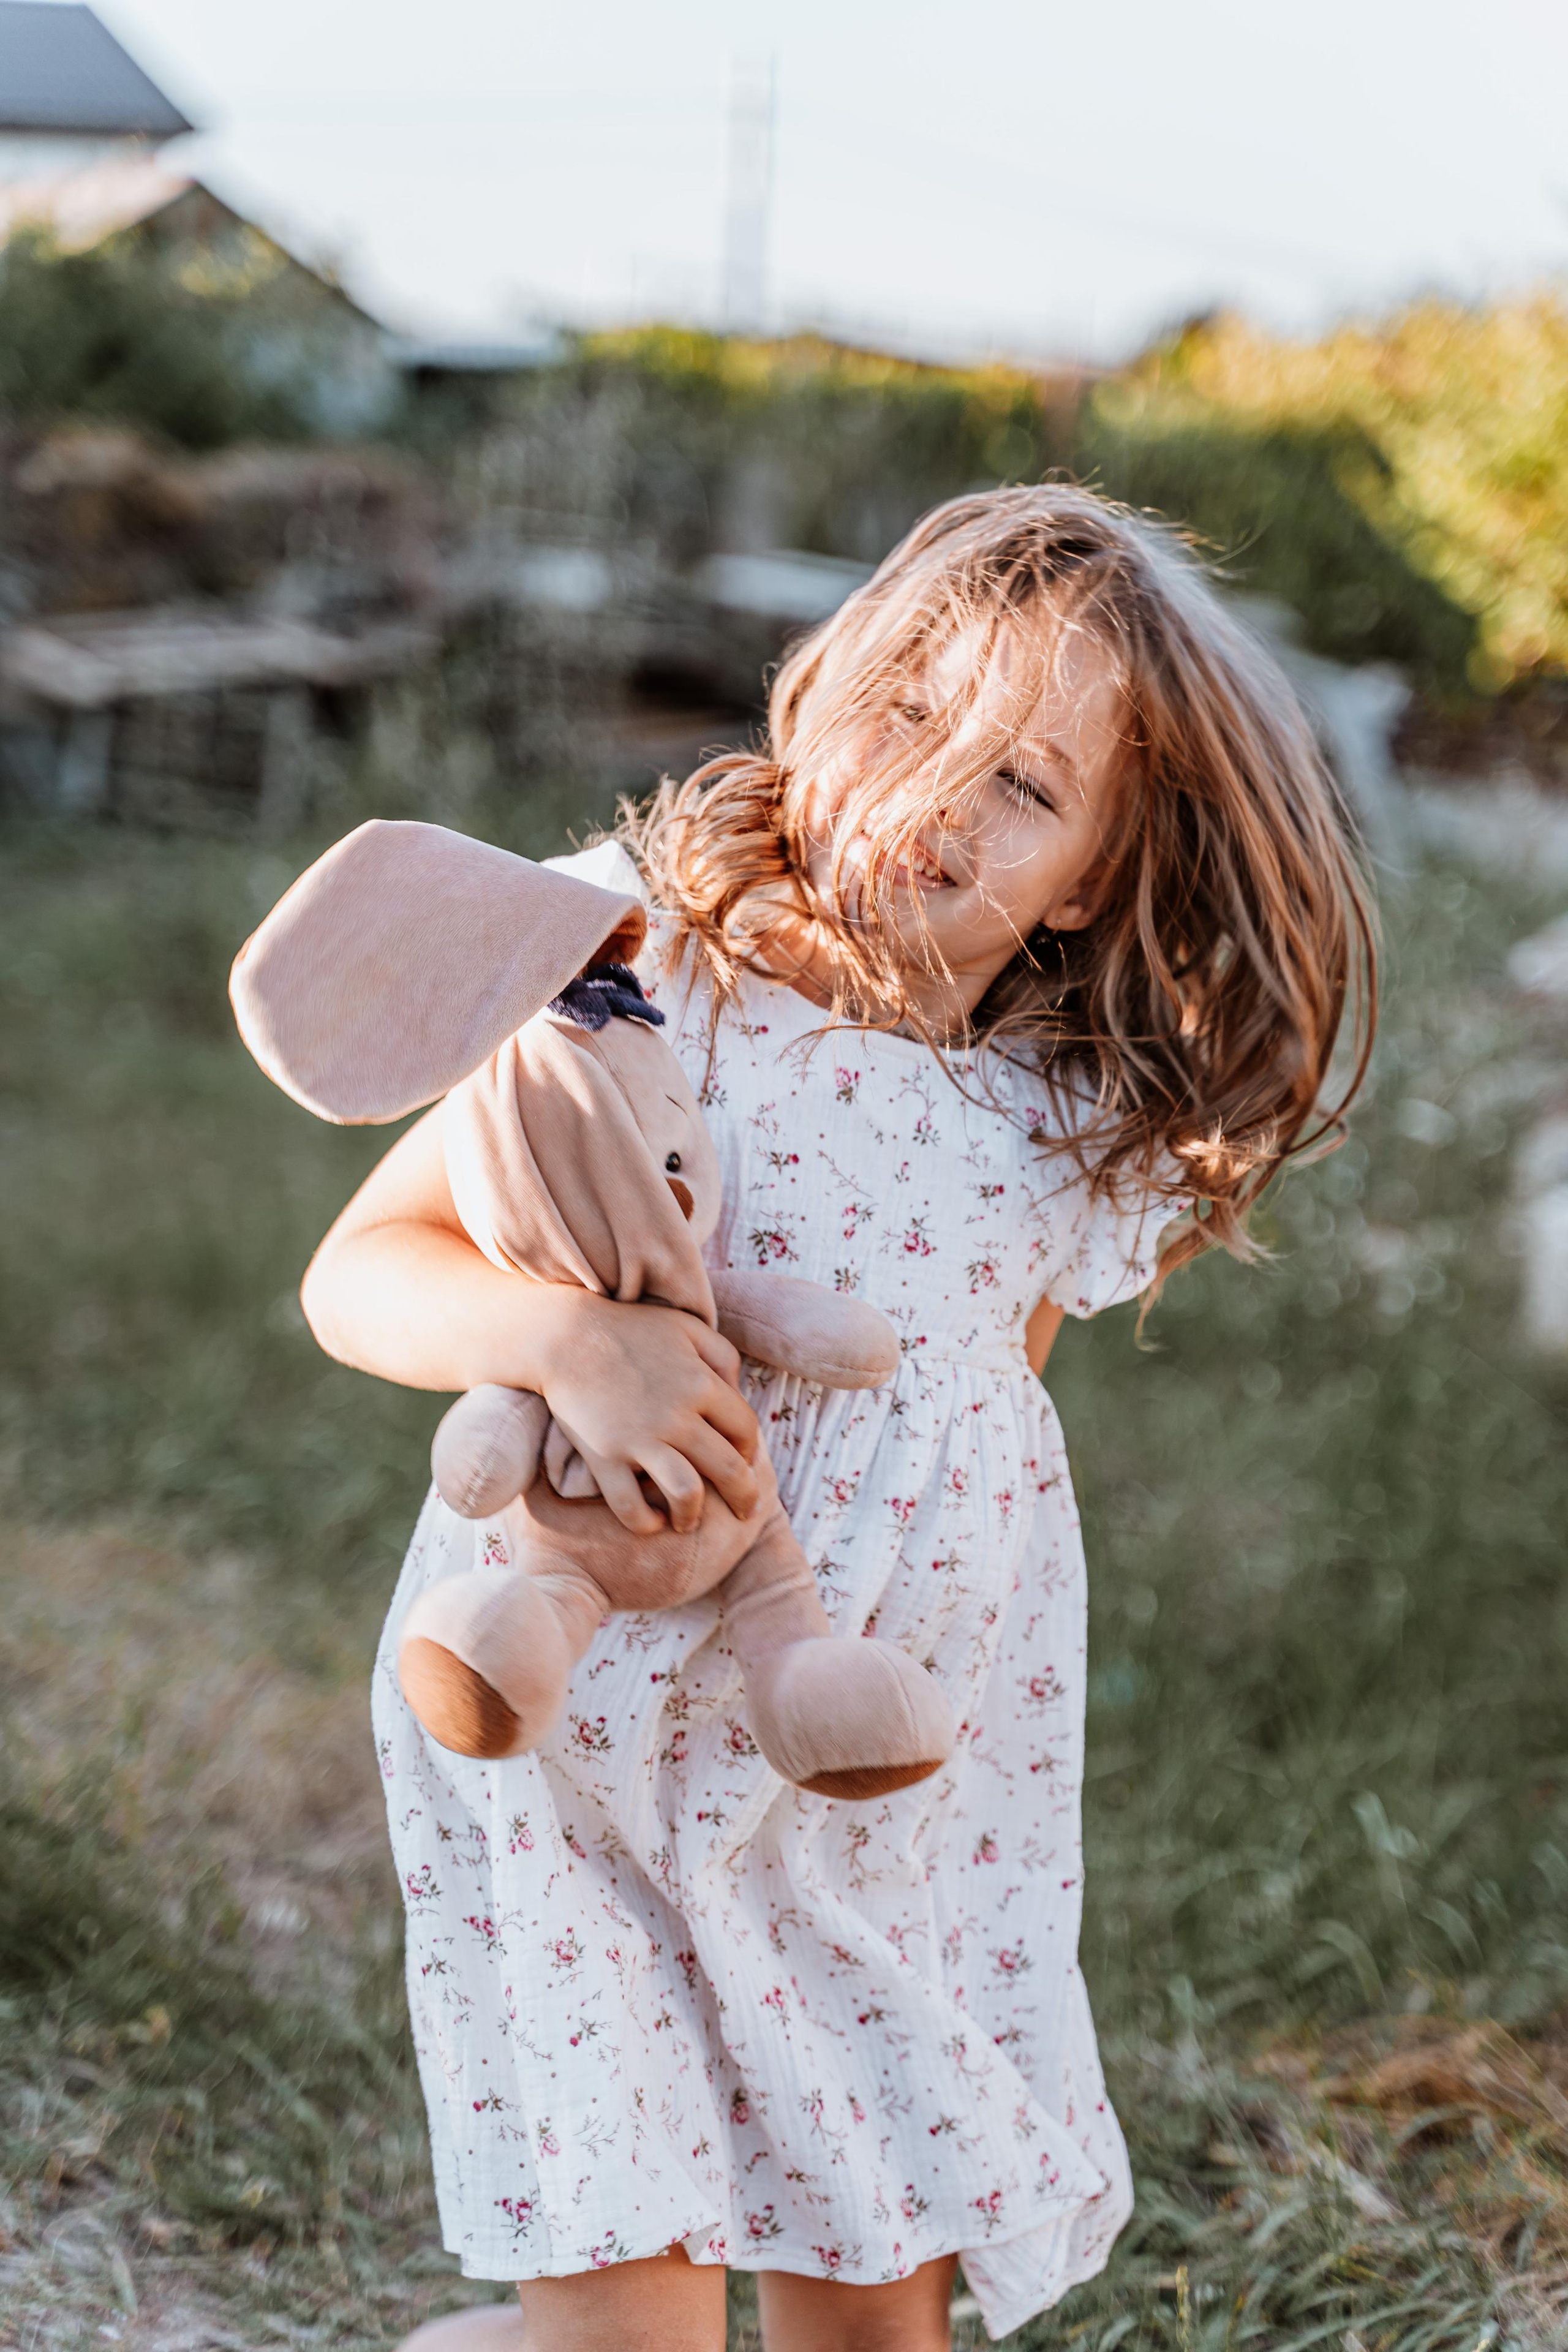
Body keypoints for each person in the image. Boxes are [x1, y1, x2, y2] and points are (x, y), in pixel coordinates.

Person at [300, 487, 1373, 2352]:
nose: (936, 800)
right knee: (621, 2322)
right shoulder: (635, 978)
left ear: (1100, 876)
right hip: (589, 1725)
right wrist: (574, 1345)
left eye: (1025, 786)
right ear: (812, 697)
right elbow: (361, 1272)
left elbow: (982, 1423)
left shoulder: (1062, 1137)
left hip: (853, 1784)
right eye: (905, 713)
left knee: (870, 2307)